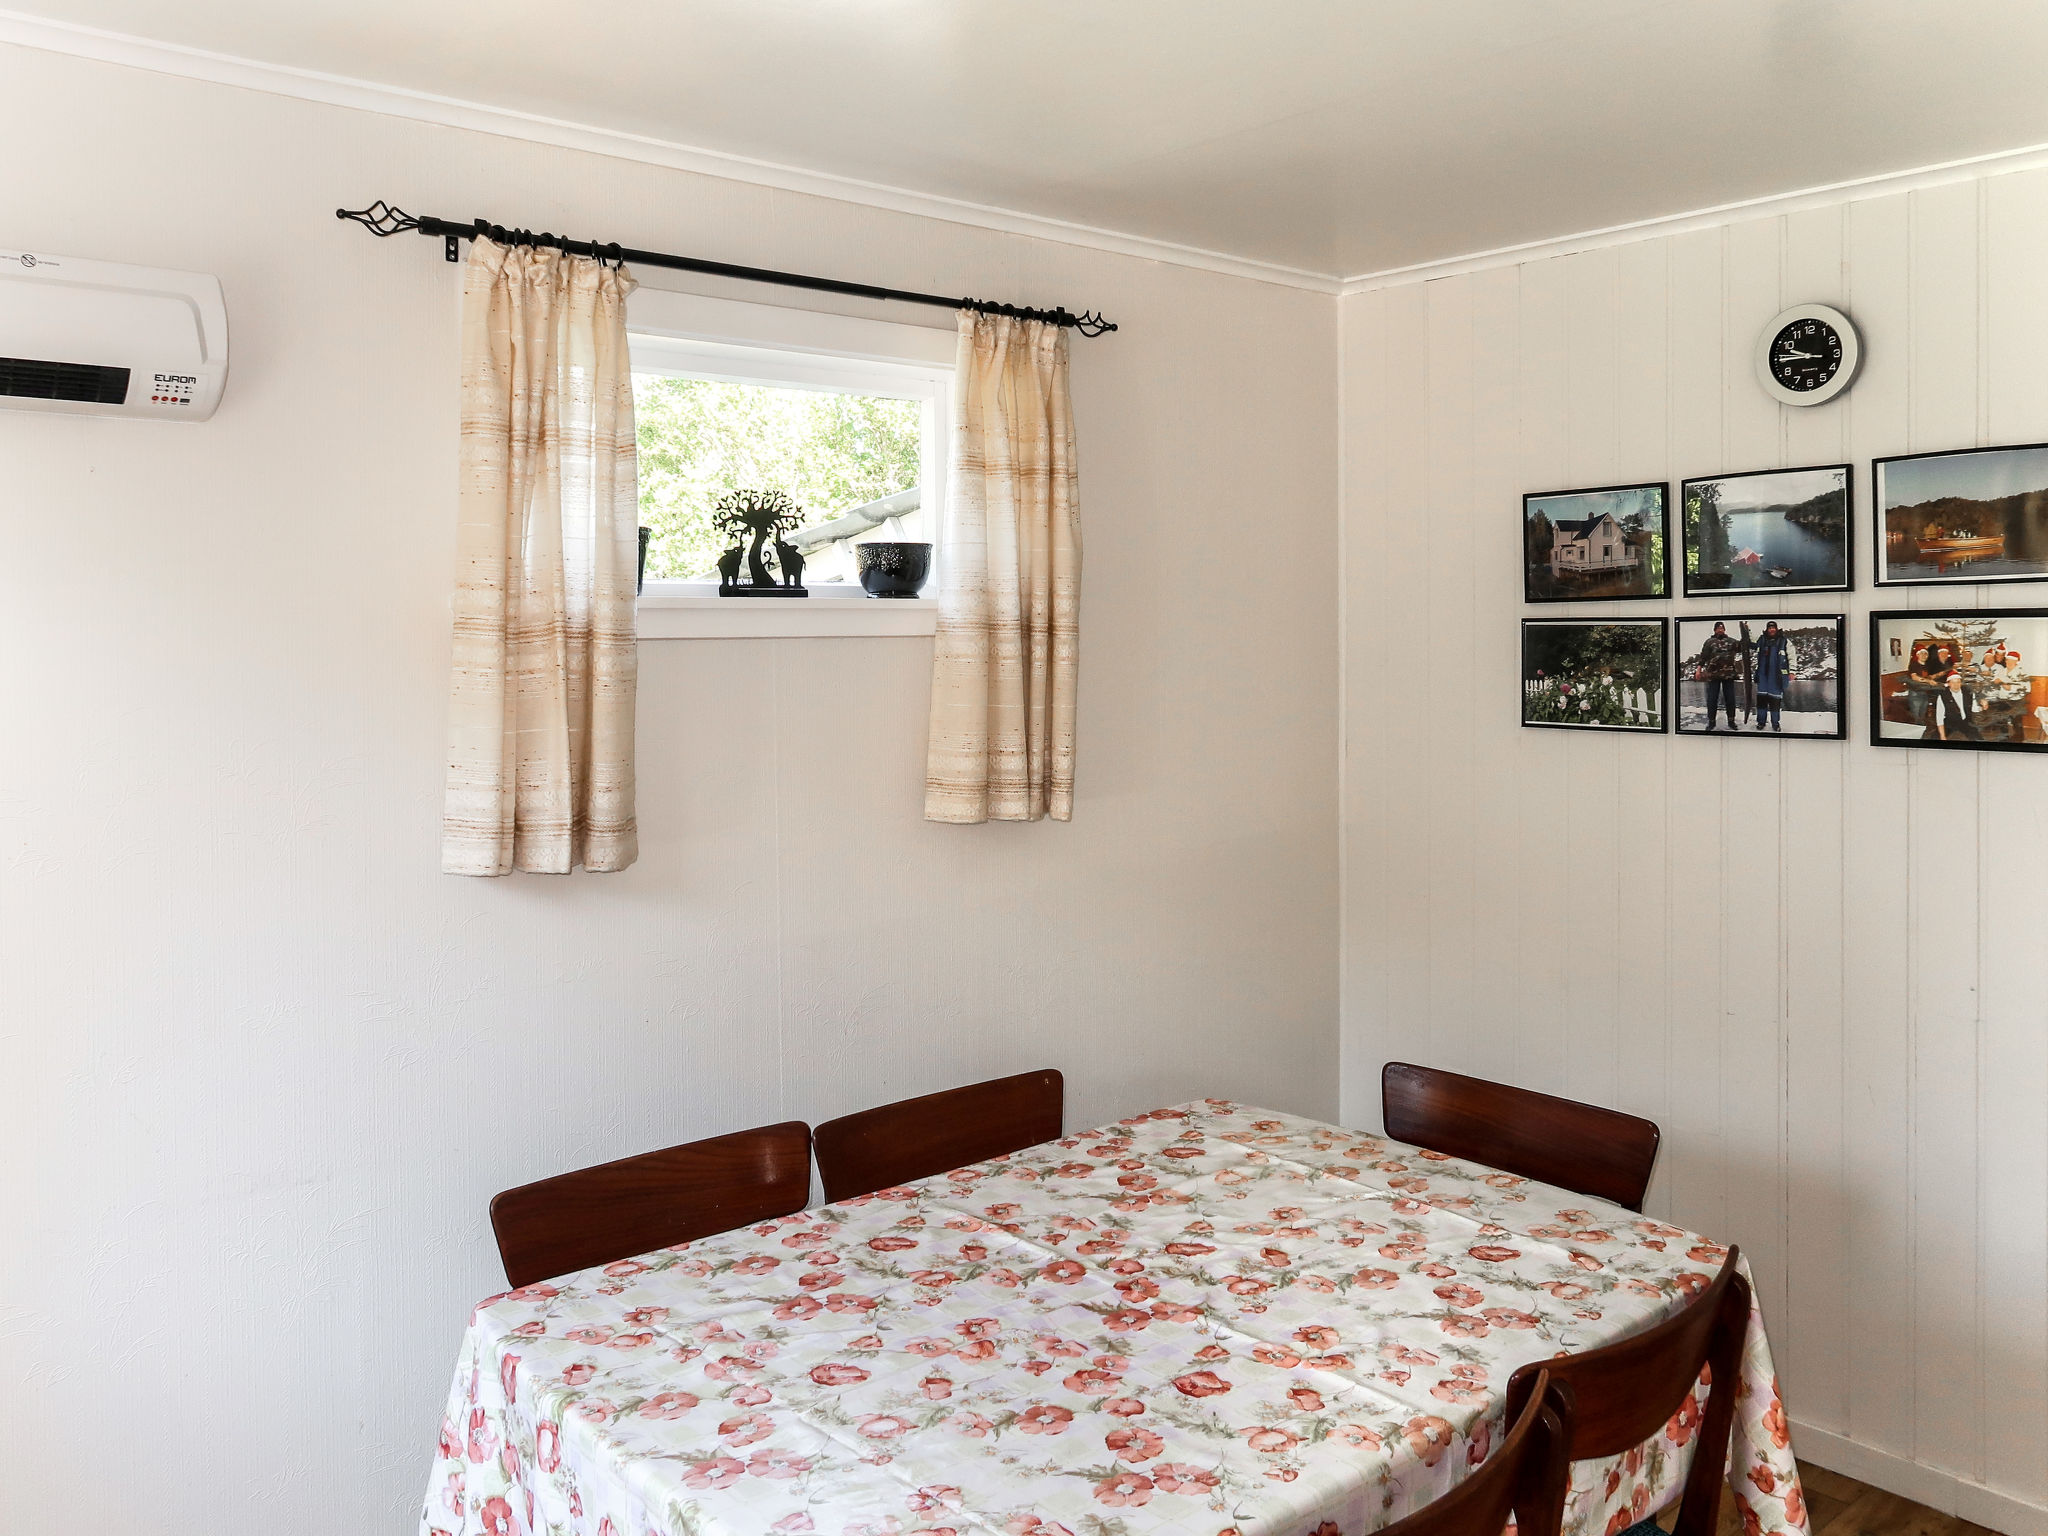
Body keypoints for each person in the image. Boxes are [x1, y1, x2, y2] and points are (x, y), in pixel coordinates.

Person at [1694, 621, 1743, 730]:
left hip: (1728, 675)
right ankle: (1711, 722)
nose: (1720, 630)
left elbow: (1742, 646)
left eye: (1722, 628)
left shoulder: (1732, 641)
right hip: (1713, 675)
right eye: (1718, 628)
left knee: (1730, 699)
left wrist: (1746, 631)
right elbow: (1703, 657)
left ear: (1724, 629)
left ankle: (1731, 721)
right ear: (1715, 630)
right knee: (1712, 699)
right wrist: (1698, 670)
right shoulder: (1709, 642)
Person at [1752, 621, 1791, 731]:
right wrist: (1746, 629)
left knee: (1775, 702)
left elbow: (1792, 656)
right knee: (1761, 702)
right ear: (1767, 629)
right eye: (1769, 628)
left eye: (1773, 628)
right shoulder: (1761, 640)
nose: (1771, 630)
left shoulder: (1784, 641)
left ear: (1776, 629)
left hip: (1776, 677)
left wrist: (1792, 671)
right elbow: (1750, 641)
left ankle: (1775, 723)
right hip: (1763, 677)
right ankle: (1761, 722)